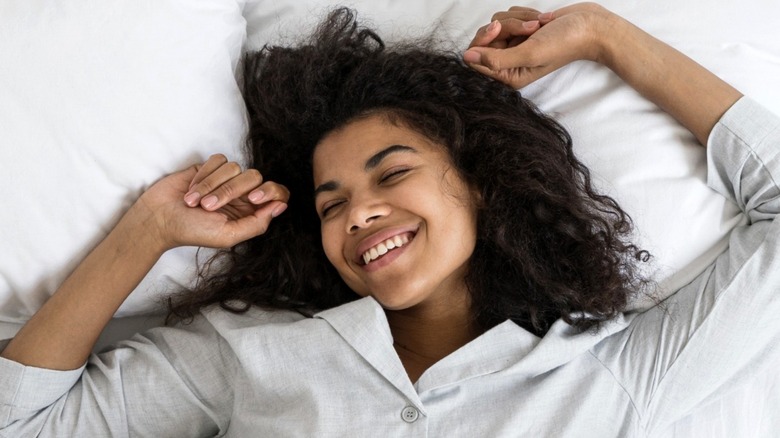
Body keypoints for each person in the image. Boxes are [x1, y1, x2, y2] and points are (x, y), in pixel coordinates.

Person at [1, 3, 776, 436]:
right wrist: (147, 233)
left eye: (392, 173)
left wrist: (610, 38)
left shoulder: (610, 378)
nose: (358, 213)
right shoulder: (250, 358)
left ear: (481, 184)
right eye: (330, 203)